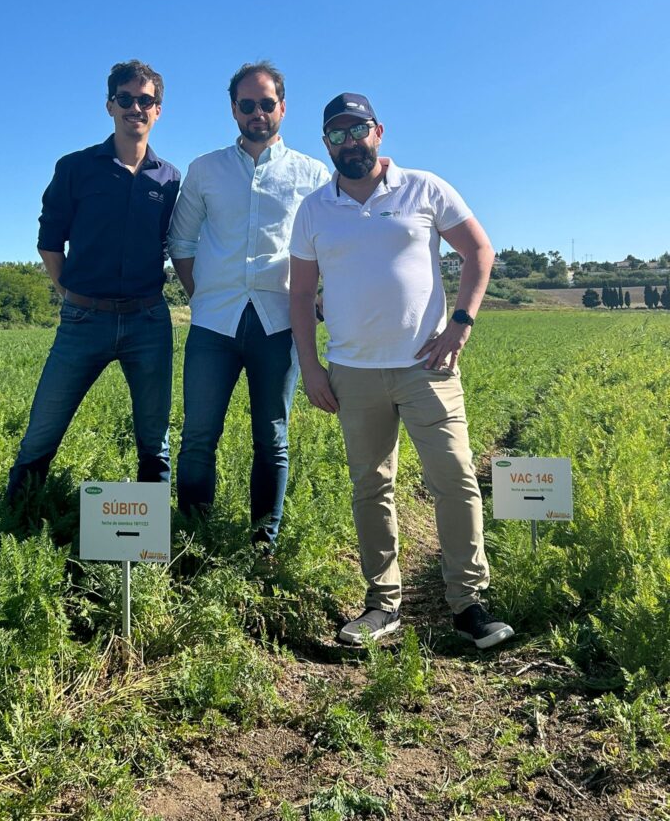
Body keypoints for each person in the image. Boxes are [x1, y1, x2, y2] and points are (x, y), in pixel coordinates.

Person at [289, 92, 514, 649]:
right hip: (352, 373)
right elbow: (299, 296)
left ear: (379, 131)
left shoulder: (425, 188)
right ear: (326, 144)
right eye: (336, 135)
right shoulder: (315, 208)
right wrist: (311, 367)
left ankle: (469, 604)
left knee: (456, 479)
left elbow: (479, 251)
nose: (348, 143)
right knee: (371, 487)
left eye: (357, 130)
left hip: (426, 368)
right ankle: (381, 604)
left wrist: (460, 323)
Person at [168, 61, 331, 547]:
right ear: (234, 110)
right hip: (213, 324)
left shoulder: (312, 174)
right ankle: (194, 541)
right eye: (247, 105)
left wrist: (321, 297)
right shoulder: (205, 170)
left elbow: (329, 243)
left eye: (266, 103)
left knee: (273, 440)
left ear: (282, 106)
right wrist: (204, 294)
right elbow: (181, 242)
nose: (257, 113)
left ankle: (264, 543)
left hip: (279, 322)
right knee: (198, 437)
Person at [6, 60, 180, 503]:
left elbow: (175, 244)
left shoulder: (171, 179)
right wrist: (69, 293)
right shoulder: (76, 168)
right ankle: (14, 523)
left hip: (148, 322)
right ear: (110, 105)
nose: (135, 108)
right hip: (83, 320)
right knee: (42, 431)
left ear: (158, 110)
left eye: (145, 100)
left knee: (154, 441)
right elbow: (49, 241)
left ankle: (149, 546)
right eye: (126, 99)